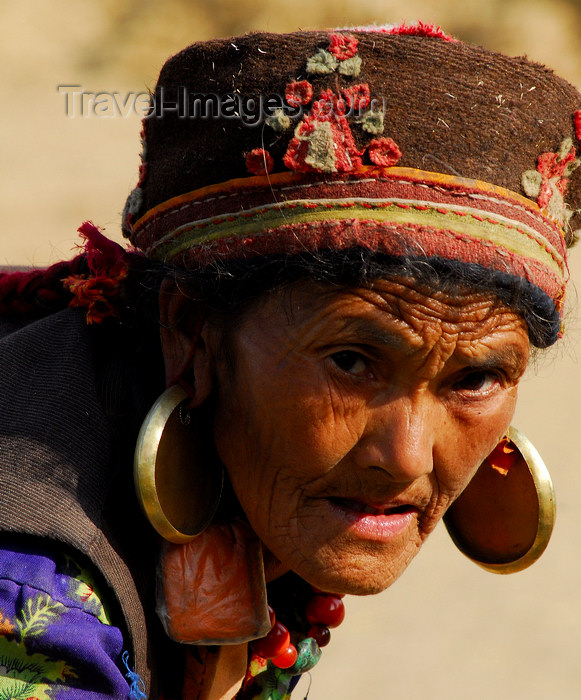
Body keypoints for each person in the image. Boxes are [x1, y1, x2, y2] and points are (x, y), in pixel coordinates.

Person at [0, 22, 579, 700]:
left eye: (475, 378)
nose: (407, 458)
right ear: (192, 330)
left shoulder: (253, 484)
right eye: (352, 362)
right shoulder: (30, 593)